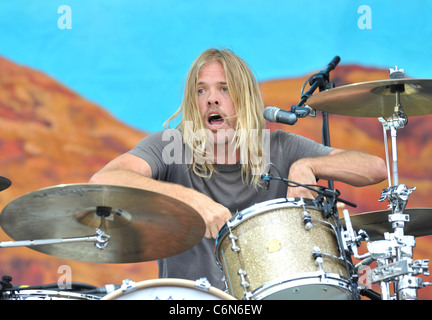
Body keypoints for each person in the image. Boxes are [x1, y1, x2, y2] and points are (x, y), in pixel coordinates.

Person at [89, 48, 387, 291]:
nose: (211, 99)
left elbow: (374, 168)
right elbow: (105, 180)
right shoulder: (170, 146)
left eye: (224, 89)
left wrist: (308, 164)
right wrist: (189, 199)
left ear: (244, 97)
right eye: (200, 90)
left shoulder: (279, 146)